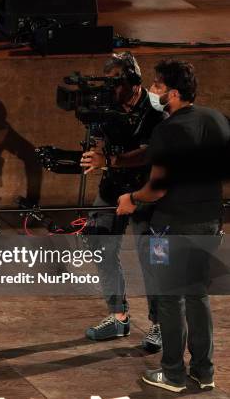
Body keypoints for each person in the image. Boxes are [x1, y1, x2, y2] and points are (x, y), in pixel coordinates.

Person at [117, 59, 229, 392]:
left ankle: (173, 374)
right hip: (209, 221)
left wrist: (132, 199)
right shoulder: (217, 119)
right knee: (197, 295)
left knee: (168, 298)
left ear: (175, 93)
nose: (153, 91)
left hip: (170, 227)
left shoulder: (167, 129)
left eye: (158, 87)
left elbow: (158, 187)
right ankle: (203, 372)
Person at [80, 52, 165, 350]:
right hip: (112, 187)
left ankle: (159, 324)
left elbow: (148, 153)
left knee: (153, 257)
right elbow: (101, 142)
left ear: (134, 81)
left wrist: (111, 159)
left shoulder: (156, 109)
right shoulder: (107, 105)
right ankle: (118, 316)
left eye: (117, 83)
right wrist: (96, 153)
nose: (112, 90)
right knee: (99, 244)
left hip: (147, 193)